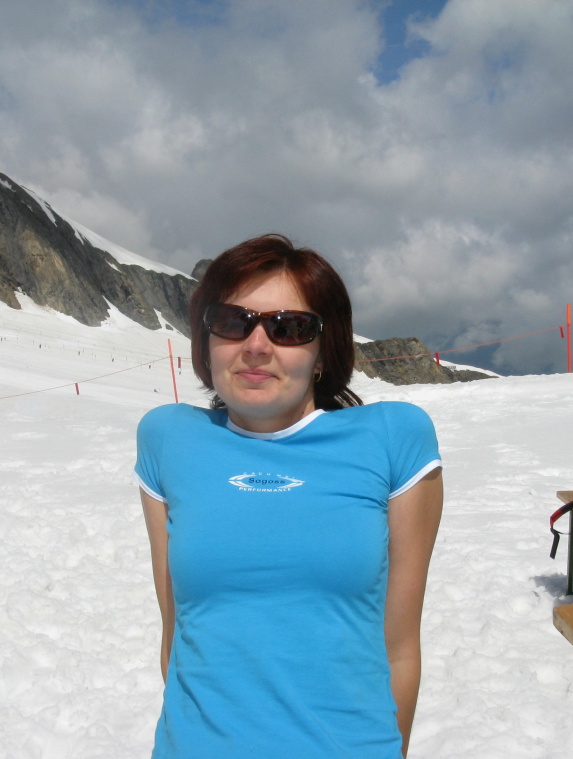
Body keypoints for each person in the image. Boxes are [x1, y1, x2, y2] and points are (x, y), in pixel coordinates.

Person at [134, 233, 444, 758]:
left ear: (323, 352)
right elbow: (177, 634)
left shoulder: (395, 438)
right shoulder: (168, 439)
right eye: (232, 321)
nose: (257, 345)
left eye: (290, 327)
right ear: (206, 341)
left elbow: (399, 649)